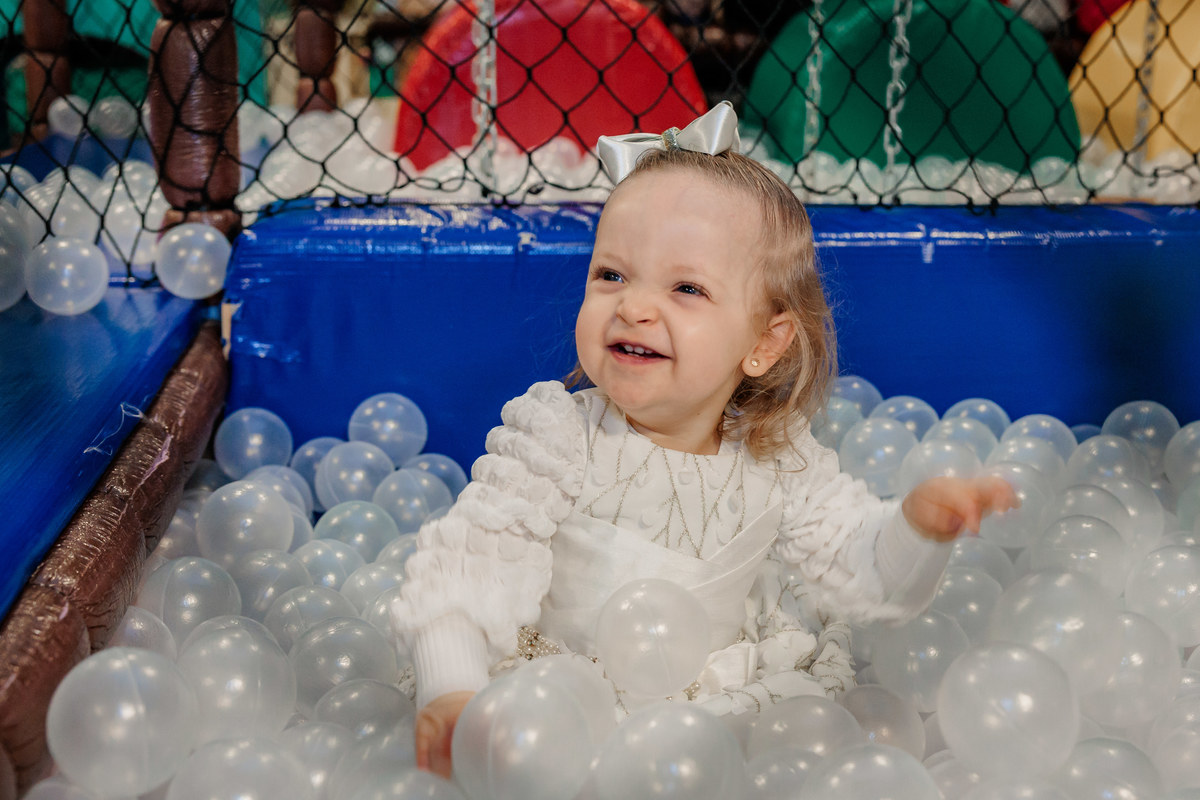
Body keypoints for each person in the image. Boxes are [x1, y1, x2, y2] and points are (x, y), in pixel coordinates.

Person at [388, 102, 1017, 777]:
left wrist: (918, 529)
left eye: (686, 287)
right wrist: (453, 692)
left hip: (707, 714)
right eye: (611, 275)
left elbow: (864, 573)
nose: (634, 306)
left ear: (764, 343)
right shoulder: (558, 436)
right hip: (560, 702)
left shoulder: (779, 458)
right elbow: (468, 565)